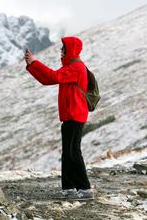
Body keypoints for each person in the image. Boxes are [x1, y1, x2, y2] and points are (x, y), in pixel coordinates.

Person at [24, 36, 93, 200]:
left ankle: (85, 189)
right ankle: (68, 187)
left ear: (70, 50)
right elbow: (47, 79)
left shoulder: (76, 67)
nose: (60, 51)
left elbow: (53, 76)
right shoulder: (71, 68)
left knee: (73, 151)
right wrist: (31, 65)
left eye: (63, 49)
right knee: (68, 152)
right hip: (70, 115)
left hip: (75, 115)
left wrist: (35, 62)